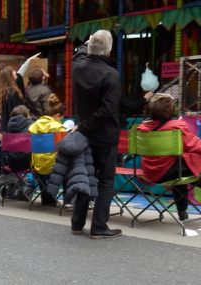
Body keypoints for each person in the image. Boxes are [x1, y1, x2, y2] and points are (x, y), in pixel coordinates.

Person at [137, 94, 201, 224]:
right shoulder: (176, 127)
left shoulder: (141, 129)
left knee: (180, 171)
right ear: (171, 111)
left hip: (151, 172)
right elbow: (194, 144)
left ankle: (182, 212)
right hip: (170, 171)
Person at [71, 30, 123, 239]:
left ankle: (77, 222)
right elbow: (107, 110)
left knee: (86, 177)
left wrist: (89, 41)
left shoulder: (77, 68)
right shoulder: (111, 75)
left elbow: (79, 54)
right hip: (105, 135)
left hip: (85, 135)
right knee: (105, 182)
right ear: (109, 50)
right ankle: (99, 225)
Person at [28, 94, 67, 206]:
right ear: (58, 116)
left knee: (42, 167)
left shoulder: (34, 126)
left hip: (37, 165)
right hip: (53, 165)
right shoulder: (59, 128)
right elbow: (64, 148)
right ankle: (67, 200)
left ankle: (46, 198)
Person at [0, 66, 24, 133]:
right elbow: (17, 112)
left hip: (5, 128)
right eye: (13, 71)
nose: (15, 72)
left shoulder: (3, 92)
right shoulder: (14, 92)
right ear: (10, 76)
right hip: (14, 129)